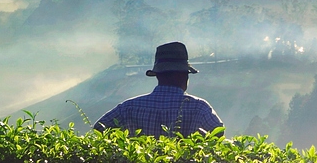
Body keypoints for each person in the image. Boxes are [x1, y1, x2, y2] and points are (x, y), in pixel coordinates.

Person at [94, 41, 223, 137]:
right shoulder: (199, 108)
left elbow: (99, 128)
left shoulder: (129, 107)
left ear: (158, 75)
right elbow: (218, 134)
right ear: (184, 75)